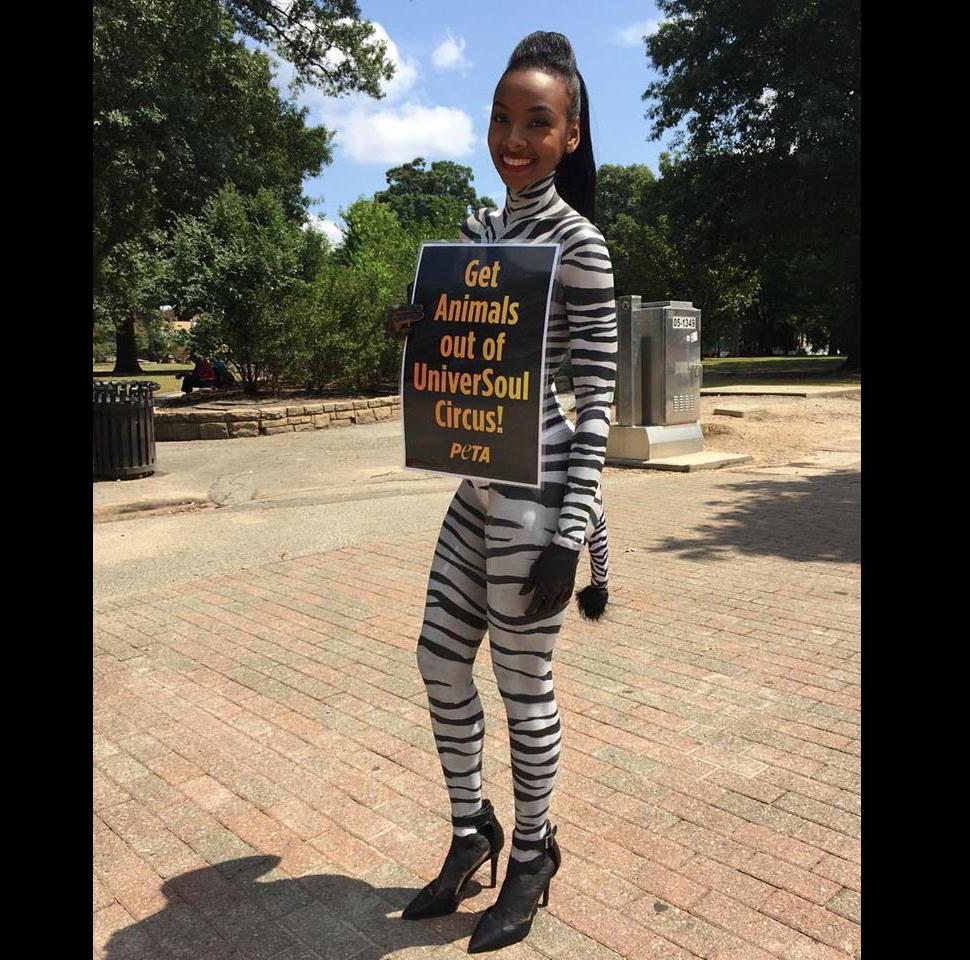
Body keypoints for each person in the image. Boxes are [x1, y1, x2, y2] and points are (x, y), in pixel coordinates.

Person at [385, 31, 616, 954]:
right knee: (439, 660)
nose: (514, 138)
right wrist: (417, 325)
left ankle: (532, 855)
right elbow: (458, 357)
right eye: (503, 119)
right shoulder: (477, 237)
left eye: (537, 123)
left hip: (539, 486)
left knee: (524, 684)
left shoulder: (579, 245)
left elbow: (597, 397)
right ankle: (469, 830)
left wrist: (572, 530)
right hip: (476, 484)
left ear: (569, 134)